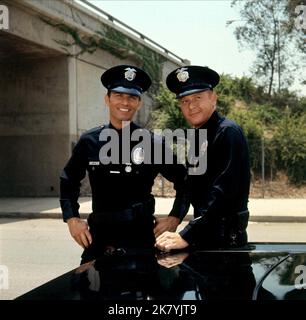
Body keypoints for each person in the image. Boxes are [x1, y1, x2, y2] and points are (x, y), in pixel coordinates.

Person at [60, 65, 188, 263]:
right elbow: (68, 180)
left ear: (138, 103)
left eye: (131, 97)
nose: (125, 102)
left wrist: (175, 216)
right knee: (84, 290)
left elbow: (185, 180)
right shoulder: (90, 141)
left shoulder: (153, 143)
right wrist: (72, 218)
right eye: (118, 95)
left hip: (141, 238)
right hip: (99, 239)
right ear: (107, 99)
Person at [156, 65, 251, 251]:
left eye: (198, 97)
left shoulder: (227, 132)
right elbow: (190, 184)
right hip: (206, 235)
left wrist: (186, 235)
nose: (191, 106)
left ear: (213, 98)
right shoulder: (200, 136)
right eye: (184, 101)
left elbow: (223, 193)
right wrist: (175, 216)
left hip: (225, 242)